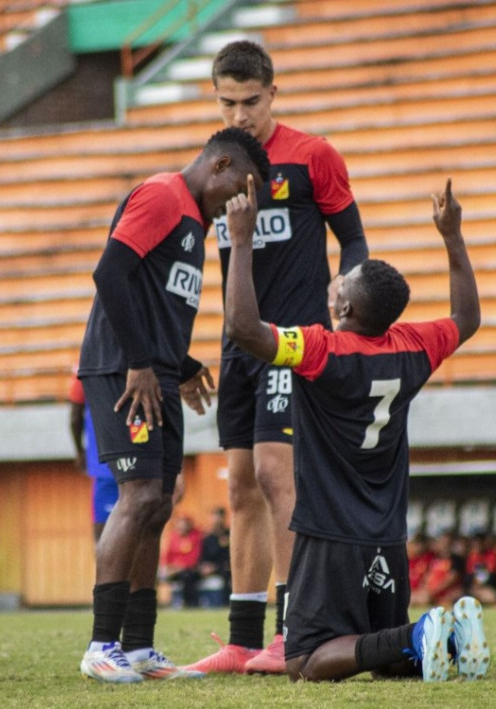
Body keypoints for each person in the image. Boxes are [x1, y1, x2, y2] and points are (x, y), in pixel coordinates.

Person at [220, 174, 488, 682]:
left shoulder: (320, 350)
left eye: (343, 280)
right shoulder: (413, 344)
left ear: (343, 308)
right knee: (385, 662)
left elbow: (242, 329)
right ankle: (445, 637)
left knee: (303, 659)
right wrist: (452, 236)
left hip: (328, 532)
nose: (336, 280)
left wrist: (240, 240)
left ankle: (419, 632)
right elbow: (466, 317)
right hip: (386, 532)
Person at [183, 39, 369, 676]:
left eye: (251, 101)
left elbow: (355, 242)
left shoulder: (314, 155)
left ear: (273, 92)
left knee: (275, 474)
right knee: (238, 486)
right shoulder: (216, 165)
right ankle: (242, 638)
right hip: (236, 345)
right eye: (227, 101)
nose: (239, 114)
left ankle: (296, 630)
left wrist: (344, 307)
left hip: (293, 343)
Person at [76, 127, 270, 684]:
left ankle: (137, 648)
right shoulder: (163, 195)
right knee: (137, 498)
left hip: (156, 372)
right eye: (243, 185)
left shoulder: (195, 223)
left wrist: (178, 364)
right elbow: (109, 273)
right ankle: (101, 645)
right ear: (221, 164)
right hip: (124, 371)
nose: (243, 199)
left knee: (160, 503)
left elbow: (151, 300)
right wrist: (140, 361)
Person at [69, 370, 119, 543]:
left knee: (103, 535)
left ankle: (106, 570)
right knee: (142, 530)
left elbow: (75, 416)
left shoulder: (85, 369)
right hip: (140, 463)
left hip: (105, 466)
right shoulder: (139, 359)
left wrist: (79, 451)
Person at [162, 516, 203, 608]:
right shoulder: (173, 536)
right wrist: (168, 567)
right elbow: (167, 555)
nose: (182, 528)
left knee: (187, 576)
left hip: (188, 569)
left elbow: (194, 558)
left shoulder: (195, 537)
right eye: (180, 525)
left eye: (184, 525)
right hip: (173, 570)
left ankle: (188, 603)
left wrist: (178, 568)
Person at [197, 507, 231, 608]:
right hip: (208, 568)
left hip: (224, 567)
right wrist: (203, 567)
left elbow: (229, 556)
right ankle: (192, 603)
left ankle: (224, 604)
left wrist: (215, 567)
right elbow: (202, 555)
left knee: (226, 573)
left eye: (219, 517)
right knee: (189, 575)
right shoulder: (207, 537)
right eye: (214, 517)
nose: (216, 520)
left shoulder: (229, 535)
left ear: (223, 518)